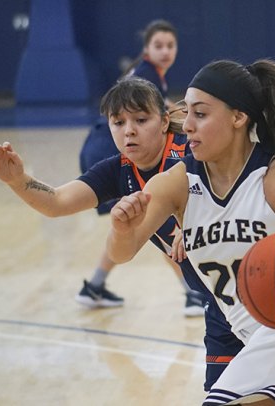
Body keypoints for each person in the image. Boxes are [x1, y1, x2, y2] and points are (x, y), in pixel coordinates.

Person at [106, 59, 275, 405]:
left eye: (201, 114)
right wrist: (122, 228)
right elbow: (122, 252)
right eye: (186, 113)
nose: (188, 125)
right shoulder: (178, 183)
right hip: (256, 335)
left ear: (238, 117)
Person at [0, 76, 244, 391]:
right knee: (229, 394)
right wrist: (18, 179)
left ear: (164, 122)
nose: (128, 130)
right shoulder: (118, 170)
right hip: (218, 303)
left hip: (253, 282)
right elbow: (56, 203)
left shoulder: (193, 152)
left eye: (140, 119)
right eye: (118, 122)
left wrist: (199, 225)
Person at [78, 19, 205, 315]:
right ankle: (193, 294)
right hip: (109, 150)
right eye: (158, 45)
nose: (164, 51)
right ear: (146, 49)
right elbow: (162, 113)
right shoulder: (146, 75)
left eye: (170, 46)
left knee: (135, 225)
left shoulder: (150, 75)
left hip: (102, 145)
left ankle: (94, 285)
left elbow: (166, 110)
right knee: (153, 223)